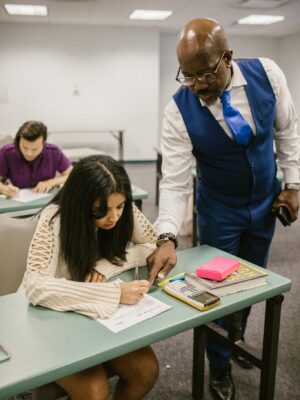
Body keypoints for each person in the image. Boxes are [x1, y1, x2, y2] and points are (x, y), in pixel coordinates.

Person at [147, 17, 300, 400]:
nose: (197, 85)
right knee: (213, 287)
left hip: (266, 203)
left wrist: (294, 183)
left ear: (227, 57)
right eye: (188, 76)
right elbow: (176, 180)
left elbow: (287, 132)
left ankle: (237, 336)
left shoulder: (268, 73)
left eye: (205, 74)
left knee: (250, 278)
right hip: (219, 210)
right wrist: (166, 235)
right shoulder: (178, 110)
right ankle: (218, 365)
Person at [19, 154, 159, 400]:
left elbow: (154, 247)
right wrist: (114, 293)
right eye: (100, 210)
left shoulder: (119, 207)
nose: (113, 217)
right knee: (94, 391)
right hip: (50, 319)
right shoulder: (54, 219)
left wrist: (106, 267)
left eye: (120, 207)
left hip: (94, 315)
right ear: (80, 202)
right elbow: (35, 285)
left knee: (145, 371)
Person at [0, 121, 73, 198]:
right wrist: (4, 189)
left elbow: (71, 174)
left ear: (43, 143)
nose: (29, 153)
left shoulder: (53, 152)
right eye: (25, 147)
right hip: (17, 200)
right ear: (18, 141)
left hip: (45, 200)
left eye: (34, 149)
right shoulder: (7, 152)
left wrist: (50, 183)